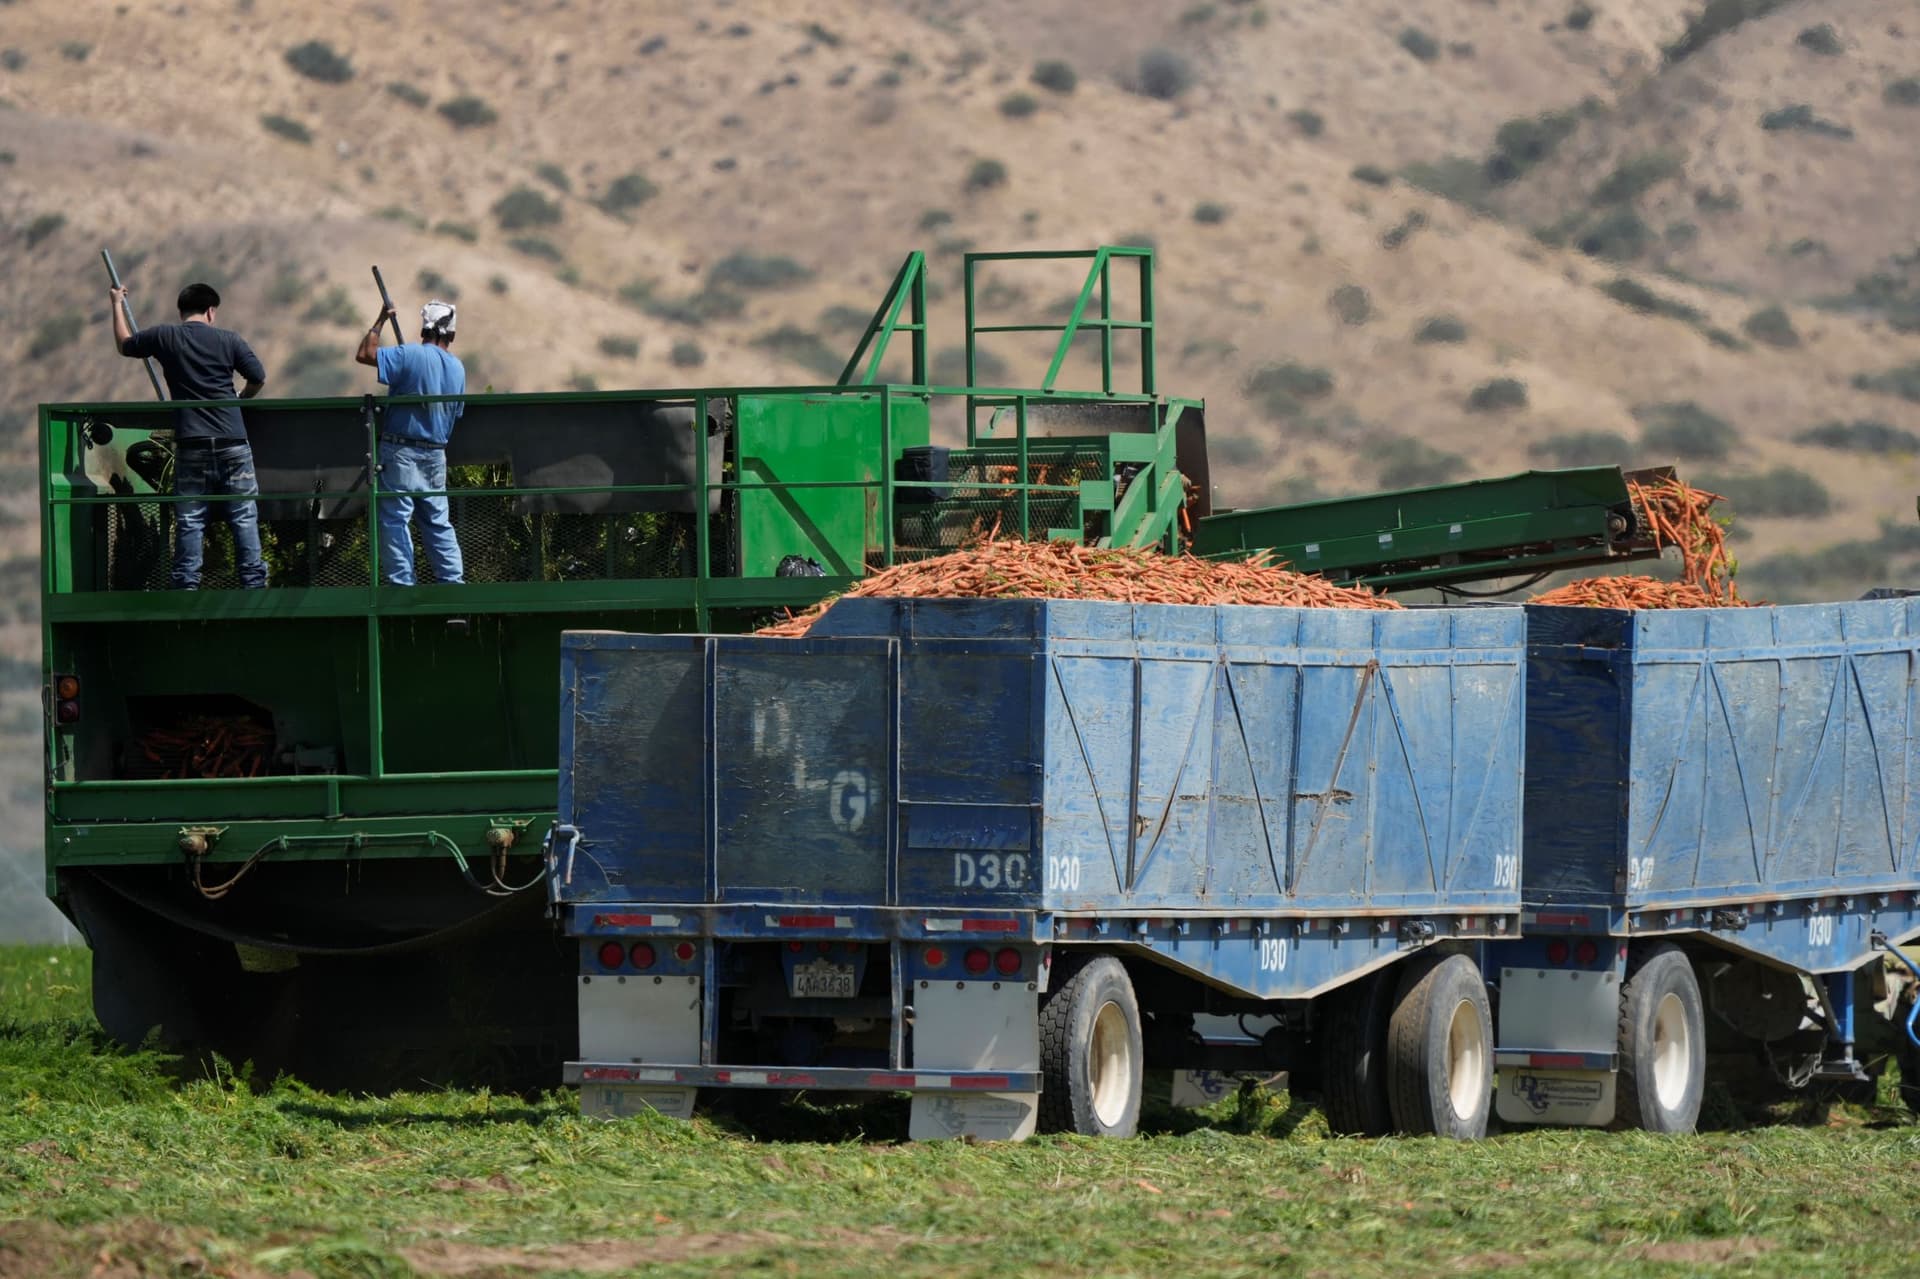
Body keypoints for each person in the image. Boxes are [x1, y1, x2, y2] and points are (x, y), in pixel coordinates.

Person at [109, 281, 269, 589]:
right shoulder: (229, 339)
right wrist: (241, 398)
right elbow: (258, 377)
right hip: (231, 440)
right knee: (244, 515)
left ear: (181, 310)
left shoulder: (164, 336)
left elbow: (124, 344)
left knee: (191, 519)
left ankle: (186, 584)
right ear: (211, 311)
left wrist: (117, 303)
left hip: (191, 442)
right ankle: (253, 583)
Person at [355, 299, 466, 585]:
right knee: (437, 522)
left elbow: (366, 353)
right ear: (450, 334)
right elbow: (458, 412)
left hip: (401, 450)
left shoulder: (409, 355)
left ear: (424, 330)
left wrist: (380, 320)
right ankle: (454, 587)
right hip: (436, 454)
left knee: (394, 519)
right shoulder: (458, 369)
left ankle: (402, 588)